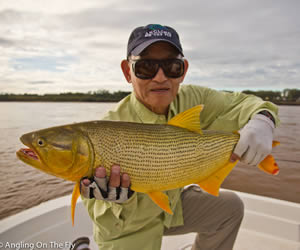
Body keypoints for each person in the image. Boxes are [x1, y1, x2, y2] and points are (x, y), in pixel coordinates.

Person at [79, 24, 279, 250]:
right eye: (146, 67)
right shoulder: (104, 130)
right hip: (130, 225)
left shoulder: (194, 97)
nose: (160, 78)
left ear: (183, 70)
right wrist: (115, 201)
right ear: (128, 72)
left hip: (172, 205)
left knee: (230, 207)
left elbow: (243, 103)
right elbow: (103, 223)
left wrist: (263, 120)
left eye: (172, 67)